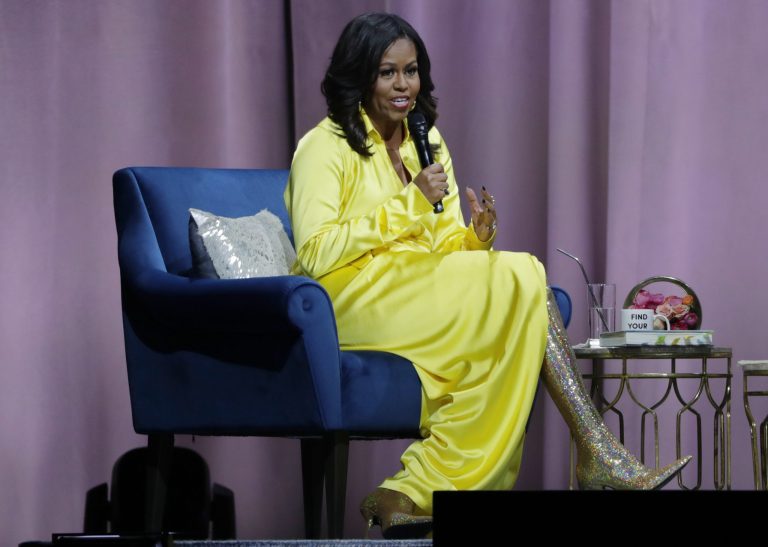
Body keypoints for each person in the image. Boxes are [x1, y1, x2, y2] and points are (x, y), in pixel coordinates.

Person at [285, 12, 691, 539]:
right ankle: (597, 450)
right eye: (387, 73)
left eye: (411, 71)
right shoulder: (325, 145)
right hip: (347, 299)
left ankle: (406, 492)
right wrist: (409, 204)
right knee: (525, 277)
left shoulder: (424, 142)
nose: (404, 85)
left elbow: (439, 243)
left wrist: (475, 236)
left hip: (413, 289)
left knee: (516, 301)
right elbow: (316, 253)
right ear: (359, 76)